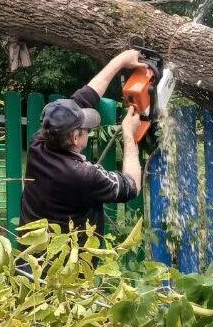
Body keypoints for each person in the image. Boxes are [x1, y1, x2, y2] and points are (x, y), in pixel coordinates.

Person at [19, 49, 146, 246]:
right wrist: (129, 135)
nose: (89, 130)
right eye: (86, 129)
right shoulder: (84, 175)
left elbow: (86, 96)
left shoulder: (40, 143)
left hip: (29, 261)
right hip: (65, 272)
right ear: (76, 137)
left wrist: (121, 60)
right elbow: (132, 186)